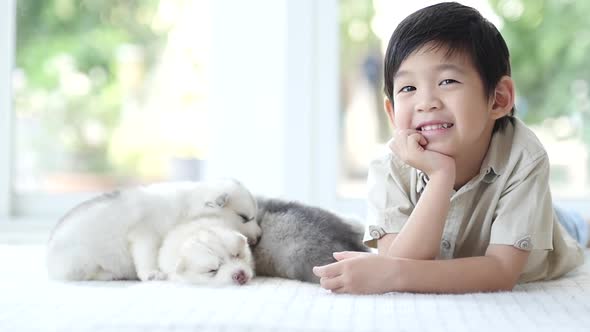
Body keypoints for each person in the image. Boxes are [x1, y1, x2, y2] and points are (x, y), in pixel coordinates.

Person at [312, 2, 588, 294]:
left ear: (498, 99)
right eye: (408, 88)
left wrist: (393, 274)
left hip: (545, 232)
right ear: (392, 113)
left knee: (572, 226)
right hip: (492, 216)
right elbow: (399, 259)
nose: (426, 101)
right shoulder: (389, 167)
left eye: (447, 81)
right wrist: (441, 178)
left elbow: (502, 271)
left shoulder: (524, 157)